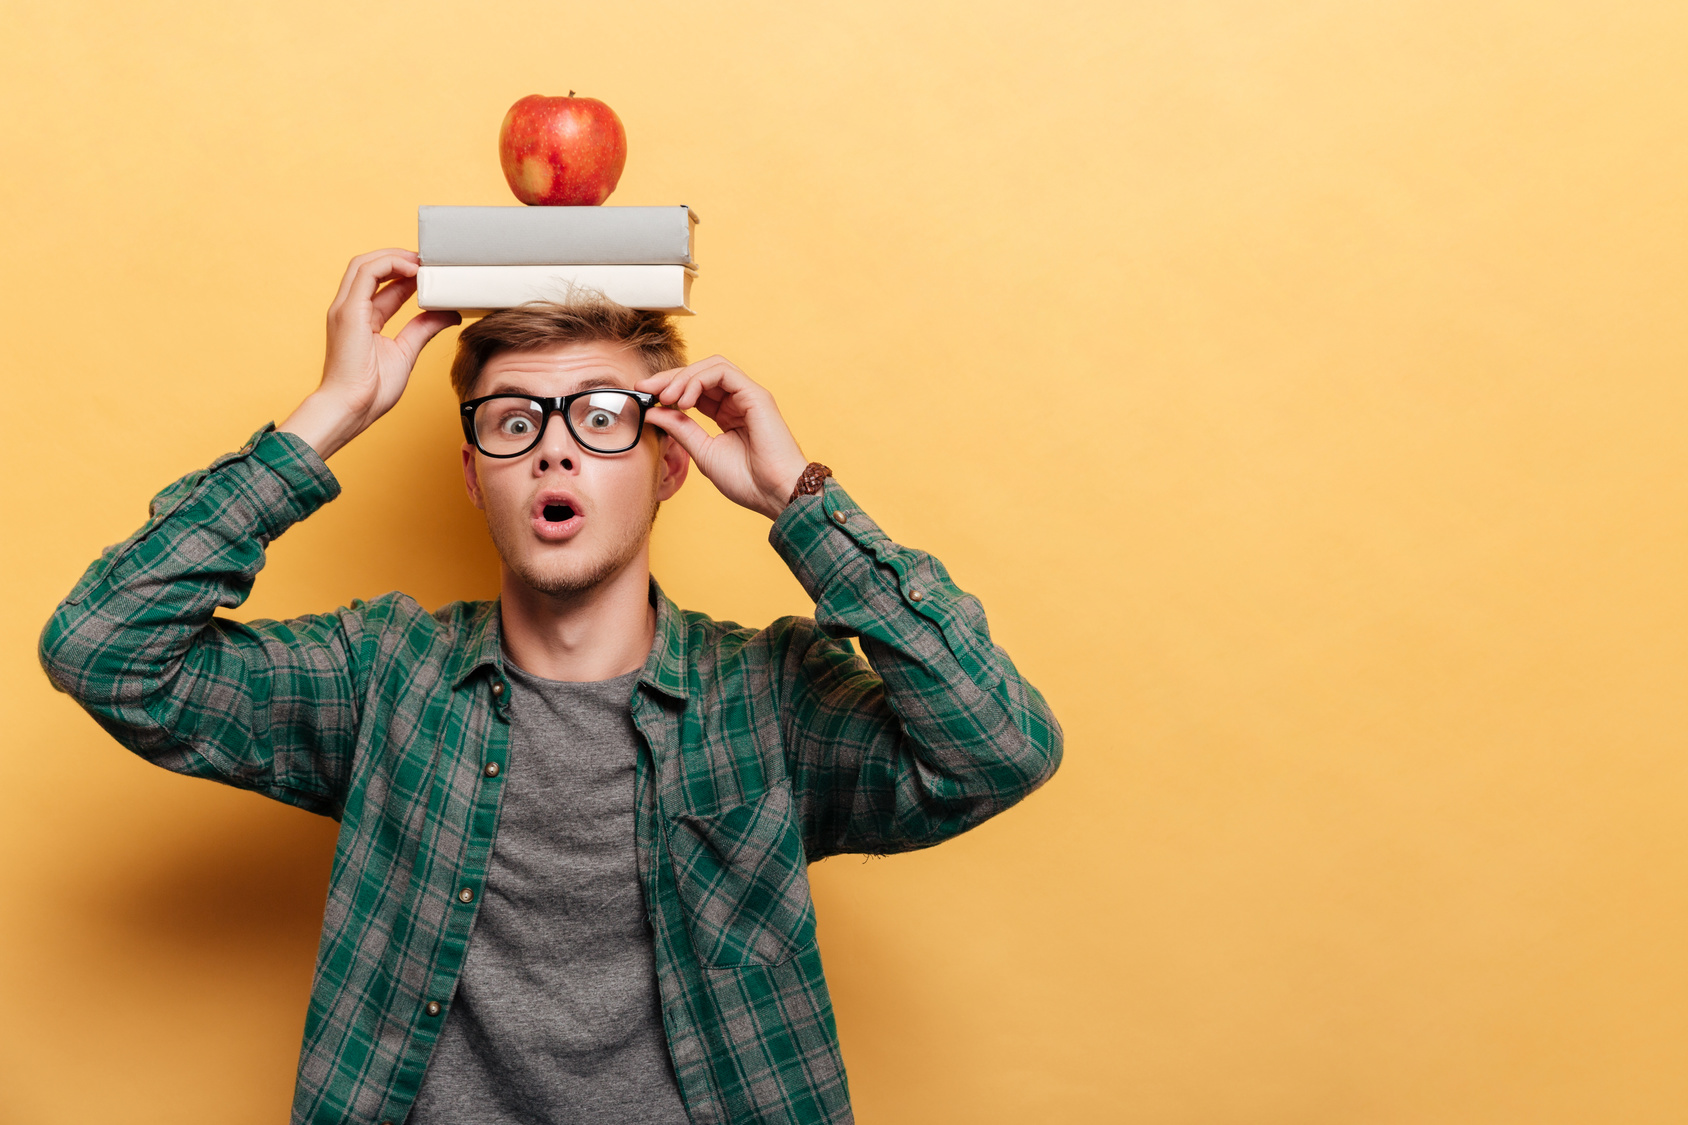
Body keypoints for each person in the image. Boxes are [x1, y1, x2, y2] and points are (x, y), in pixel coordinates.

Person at [38, 249, 1062, 1125]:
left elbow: (999, 747)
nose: (556, 445)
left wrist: (801, 505)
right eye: (513, 420)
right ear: (472, 469)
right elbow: (103, 646)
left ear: (669, 465)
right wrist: (330, 413)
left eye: (603, 416)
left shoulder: (768, 696)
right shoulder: (380, 678)